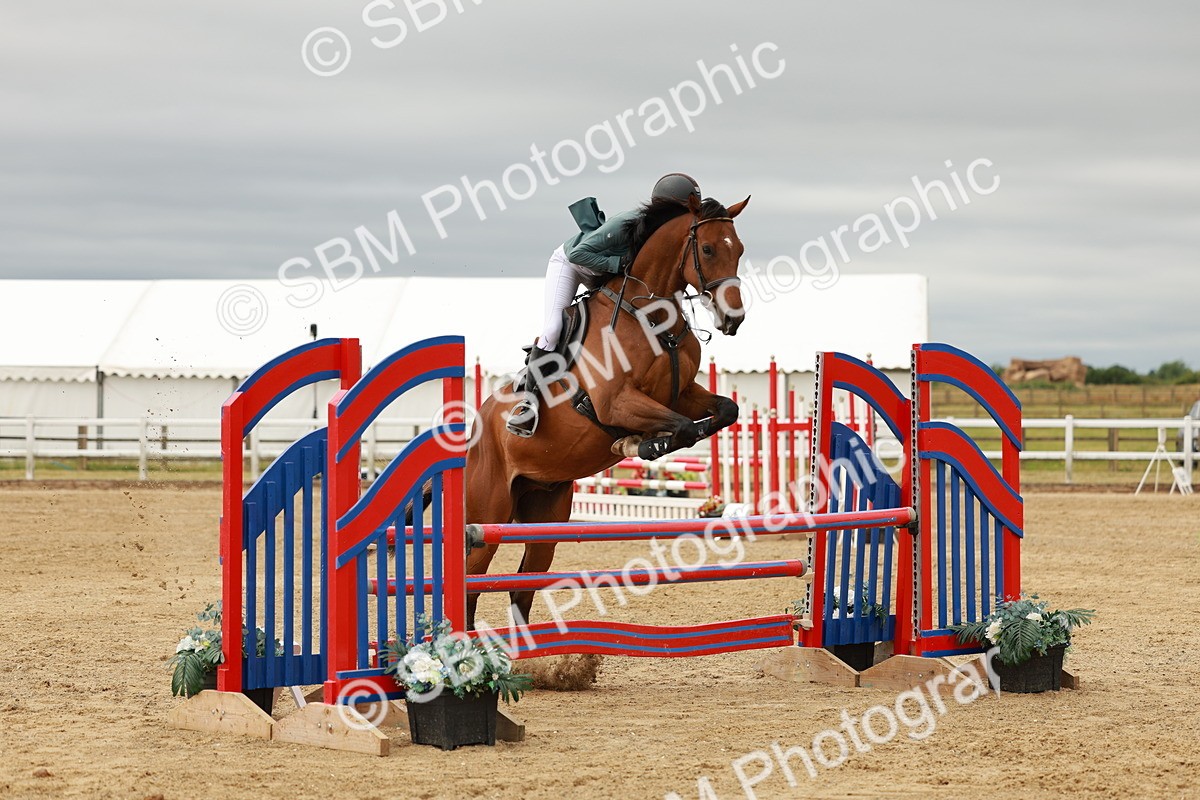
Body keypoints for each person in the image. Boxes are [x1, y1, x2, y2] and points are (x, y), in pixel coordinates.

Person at [506, 173, 702, 437]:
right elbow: (579, 254)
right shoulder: (629, 223)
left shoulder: (665, 238)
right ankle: (528, 404)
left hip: (602, 271)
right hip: (571, 264)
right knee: (553, 328)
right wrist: (618, 265)